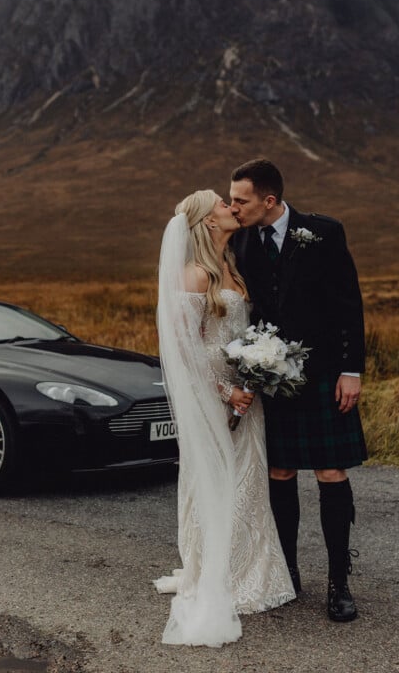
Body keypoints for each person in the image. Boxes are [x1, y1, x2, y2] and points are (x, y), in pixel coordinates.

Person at [154, 189, 295, 647]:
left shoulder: (231, 268)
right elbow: (183, 350)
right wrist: (225, 391)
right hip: (216, 398)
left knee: (245, 480)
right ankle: (220, 576)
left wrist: (258, 367)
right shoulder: (194, 276)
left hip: (244, 396)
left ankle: (254, 572)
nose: (230, 207)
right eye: (221, 203)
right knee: (215, 481)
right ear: (207, 223)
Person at [230, 158, 367, 622]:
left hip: (325, 371)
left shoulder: (323, 232)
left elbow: (350, 303)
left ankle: (338, 584)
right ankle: (288, 573)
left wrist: (352, 370)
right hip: (273, 377)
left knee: (331, 472)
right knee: (280, 474)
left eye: (240, 200)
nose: (234, 207)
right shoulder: (242, 241)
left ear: (269, 200)